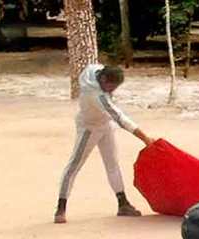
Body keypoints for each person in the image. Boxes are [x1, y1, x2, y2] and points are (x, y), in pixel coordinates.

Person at [55, 64, 155, 224]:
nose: (112, 91)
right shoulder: (96, 95)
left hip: (105, 125)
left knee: (112, 164)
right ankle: (61, 207)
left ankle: (123, 203)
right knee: (74, 166)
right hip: (89, 129)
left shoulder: (94, 70)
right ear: (102, 79)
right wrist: (145, 138)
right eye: (111, 87)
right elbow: (120, 118)